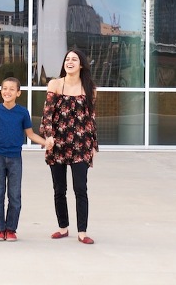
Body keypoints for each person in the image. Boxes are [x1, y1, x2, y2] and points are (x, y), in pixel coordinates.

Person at [0, 77, 53, 242]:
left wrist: (46, 142)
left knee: (15, 196)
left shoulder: (22, 112)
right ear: (1, 91)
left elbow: (30, 134)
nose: (7, 92)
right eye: (4, 88)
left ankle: (11, 229)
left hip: (15, 158)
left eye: (11, 89)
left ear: (18, 92)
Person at [39, 48, 99, 244]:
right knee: (59, 189)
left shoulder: (89, 87)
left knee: (80, 188)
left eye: (74, 59)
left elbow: (91, 119)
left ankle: (82, 231)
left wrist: (93, 146)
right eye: (67, 59)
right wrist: (48, 136)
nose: (70, 62)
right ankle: (63, 227)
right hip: (58, 143)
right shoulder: (55, 84)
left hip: (81, 144)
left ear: (81, 64)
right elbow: (47, 114)